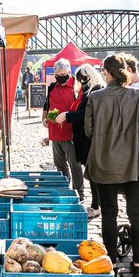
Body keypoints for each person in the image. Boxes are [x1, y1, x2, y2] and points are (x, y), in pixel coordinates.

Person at [85, 55, 139, 277]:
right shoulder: (136, 95)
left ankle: (112, 263)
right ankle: (138, 264)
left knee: (108, 214)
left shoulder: (95, 97)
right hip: (133, 162)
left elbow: (89, 130)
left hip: (104, 162)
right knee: (136, 215)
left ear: (106, 73)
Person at [54, 64, 105, 218]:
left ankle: (97, 205)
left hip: (90, 139)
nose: (81, 80)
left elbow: (87, 114)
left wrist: (68, 116)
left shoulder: (95, 90)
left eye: (83, 77)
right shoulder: (85, 91)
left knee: (94, 174)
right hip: (84, 139)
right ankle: (96, 204)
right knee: (91, 173)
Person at [42, 60, 82, 195]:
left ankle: (79, 193)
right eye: (57, 75)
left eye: (63, 74)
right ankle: (65, 189)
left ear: (69, 72)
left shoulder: (77, 87)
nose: (60, 77)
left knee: (75, 165)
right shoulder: (52, 86)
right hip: (55, 133)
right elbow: (46, 104)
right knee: (59, 164)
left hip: (71, 133)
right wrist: (44, 117)